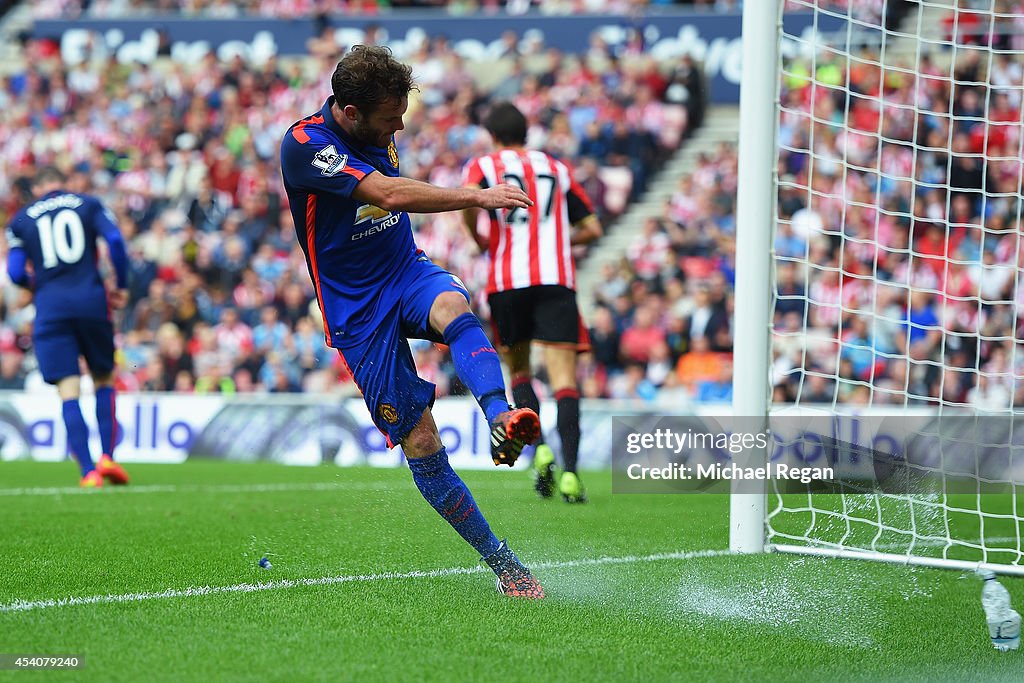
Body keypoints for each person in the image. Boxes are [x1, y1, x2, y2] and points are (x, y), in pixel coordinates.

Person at [279, 46, 544, 599]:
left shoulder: (378, 123)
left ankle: (501, 416)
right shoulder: (305, 145)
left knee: (455, 308)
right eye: (390, 116)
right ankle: (503, 564)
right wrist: (477, 198)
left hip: (405, 270)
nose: (400, 124)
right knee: (422, 440)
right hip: (356, 311)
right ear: (350, 111)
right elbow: (389, 193)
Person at [461, 102, 603, 504]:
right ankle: (572, 473)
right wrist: (560, 241)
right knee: (564, 379)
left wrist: (478, 237)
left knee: (520, 370)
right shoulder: (557, 168)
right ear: (526, 131)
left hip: (507, 281)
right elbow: (592, 227)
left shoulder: (485, 164)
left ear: (492, 134)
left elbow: (469, 201)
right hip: (556, 279)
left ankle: (539, 448)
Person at [4, 167, 131, 488]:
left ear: (37, 188)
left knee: (68, 389)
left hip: (50, 308)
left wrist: (39, 285)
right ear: (63, 183)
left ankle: (88, 472)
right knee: (103, 377)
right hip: (91, 301)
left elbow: (16, 273)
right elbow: (115, 240)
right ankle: (107, 458)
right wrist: (122, 283)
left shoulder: (20, 220)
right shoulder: (88, 203)